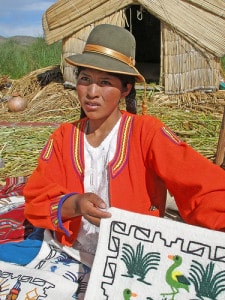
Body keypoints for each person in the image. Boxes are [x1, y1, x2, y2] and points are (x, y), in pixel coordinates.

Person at [24, 24, 225, 255]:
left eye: (105, 83)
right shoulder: (64, 136)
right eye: (85, 79)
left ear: (126, 88)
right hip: (70, 249)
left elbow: (202, 185)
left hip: (131, 257)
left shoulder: (146, 133)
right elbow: (36, 198)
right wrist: (75, 204)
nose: (91, 92)